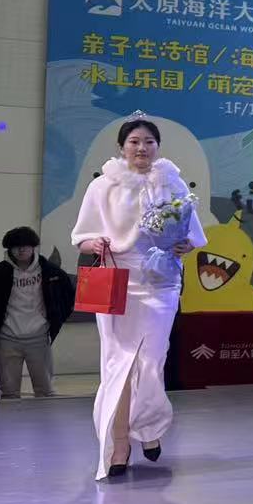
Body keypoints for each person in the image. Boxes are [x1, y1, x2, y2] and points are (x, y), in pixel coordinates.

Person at [71, 117, 208, 479]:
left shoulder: (173, 182)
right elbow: (81, 237)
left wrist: (183, 245)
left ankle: (148, 427)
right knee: (119, 364)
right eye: (134, 141)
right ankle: (119, 443)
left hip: (161, 282)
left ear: (157, 146)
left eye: (149, 141)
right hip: (118, 282)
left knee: (151, 361)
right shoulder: (103, 185)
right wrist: (95, 243)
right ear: (122, 147)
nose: (142, 148)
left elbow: (192, 236)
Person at [0, 226, 75, 400]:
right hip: (7, 338)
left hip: (39, 338)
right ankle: (9, 420)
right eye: (16, 246)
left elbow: (67, 297)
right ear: (9, 249)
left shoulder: (51, 271)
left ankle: (44, 419)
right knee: (9, 392)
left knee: (45, 391)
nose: (21, 250)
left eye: (26, 245)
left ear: (33, 247)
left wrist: (53, 320)